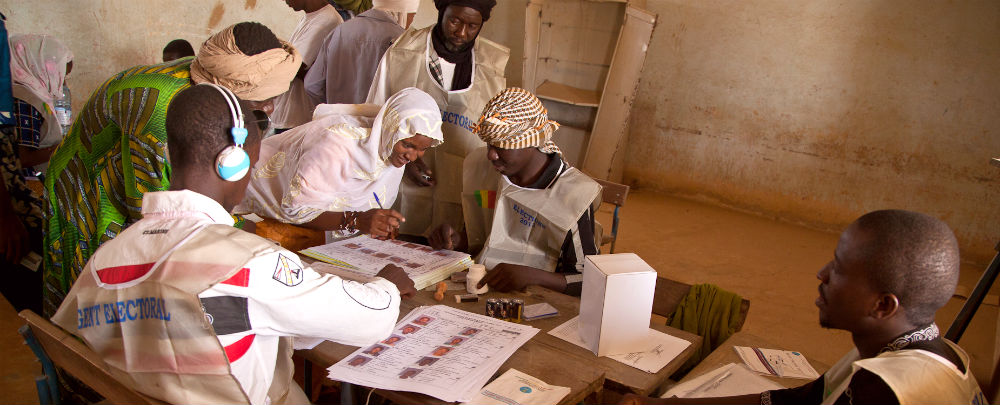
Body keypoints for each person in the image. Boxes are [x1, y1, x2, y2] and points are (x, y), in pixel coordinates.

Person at [52, 84, 416, 405]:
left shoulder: (106, 259)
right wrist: (385, 286)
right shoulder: (249, 263)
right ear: (232, 164)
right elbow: (368, 320)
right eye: (252, 165)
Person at [41, 21, 300, 316]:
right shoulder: (160, 113)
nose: (269, 108)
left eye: (274, 98)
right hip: (87, 186)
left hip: (130, 168)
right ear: (232, 89)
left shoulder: (208, 78)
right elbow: (158, 216)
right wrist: (245, 230)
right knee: (99, 295)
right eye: (263, 99)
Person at [620, 210, 986, 405]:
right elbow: (800, 400)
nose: (821, 274)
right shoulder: (911, 350)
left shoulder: (887, 389)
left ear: (882, 305)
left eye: (839, 269)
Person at [429, 88, 601, 296]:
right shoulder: (481, 169)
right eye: (489, 144)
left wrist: (533, 277)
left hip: (538, 298)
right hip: (481, 288)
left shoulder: (573, 195)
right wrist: (457, 241)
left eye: (502, 146)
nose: (491, 155)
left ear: (532, 142)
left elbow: (587, 279)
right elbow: (482, 239)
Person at [367, 0, 507, 238]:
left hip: (459, 185)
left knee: (447, 243)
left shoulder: (492, 66)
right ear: (442, 12)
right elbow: (375, 115)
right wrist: (404, 159)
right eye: (455, 21)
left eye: (472, 26)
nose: (461, 33)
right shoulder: (403, 52)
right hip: (402, 180)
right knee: (397, 242)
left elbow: (498, 136)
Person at [234, 87, 442, 239]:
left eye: (422, 149)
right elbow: (297, 210)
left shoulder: (389, 149)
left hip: (306, 231)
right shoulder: (336, 144)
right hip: (245, 205)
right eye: (408, 145)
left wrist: (374, 224)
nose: (412, 157)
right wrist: (357, 221)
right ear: (390, 129)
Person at [304, 0, 418, 105]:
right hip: (377, 119)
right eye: (412, 16)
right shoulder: (402, 40)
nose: (411, 22)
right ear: (402, 12)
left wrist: (333, 109)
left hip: (336, 119)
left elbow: (311, 85)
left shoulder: (340, 31)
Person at [271, 0, 343, 133]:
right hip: (289, 114)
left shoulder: (326, 20)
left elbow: (295, 65)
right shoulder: (311, 17)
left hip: (298, 118)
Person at [8, 34, 73, 172]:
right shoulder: (24, 100)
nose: (62, 84)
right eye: (59, 74)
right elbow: (22, 159)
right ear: (39, 67)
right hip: (28, 180)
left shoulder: (31, 94)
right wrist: (66, 148)